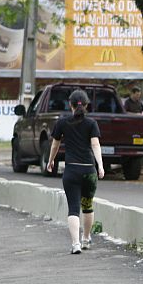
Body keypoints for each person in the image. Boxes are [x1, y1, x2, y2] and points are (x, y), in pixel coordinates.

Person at [47, 90, 105, 254]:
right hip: (89, 171)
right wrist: (100, 165)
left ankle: (76, 244)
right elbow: (95, 145)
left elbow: (55, 145)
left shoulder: (62, 123)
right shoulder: (91, 123)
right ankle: (86, 239)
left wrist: (51, 161)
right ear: (86, 105)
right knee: (87, 206)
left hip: (71, 171)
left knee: (73, 208)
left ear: (69, 104)